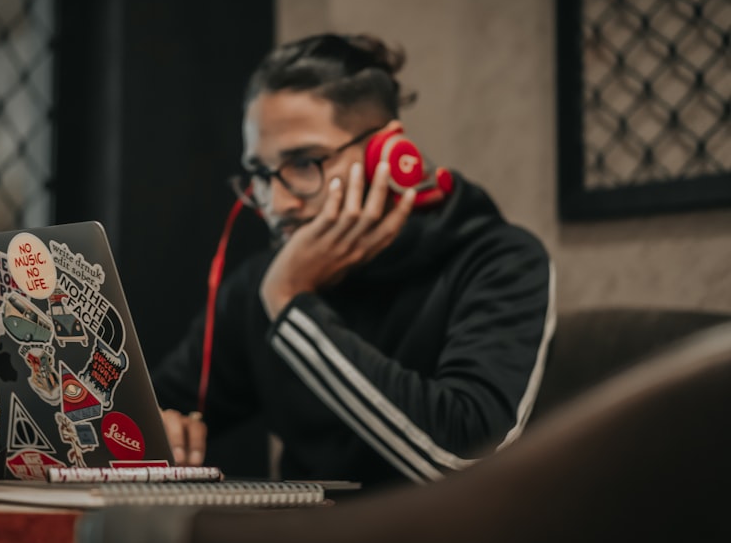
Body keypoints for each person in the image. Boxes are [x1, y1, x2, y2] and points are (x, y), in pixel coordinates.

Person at [150, 32, 555, 488]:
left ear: (390, 153)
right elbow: (147, 405)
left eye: (305, 163)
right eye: (261, 174)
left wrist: (290, 303)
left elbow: (467, 459)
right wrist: (153, 429)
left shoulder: (500, 261)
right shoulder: (261, 283)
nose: (276, 203)